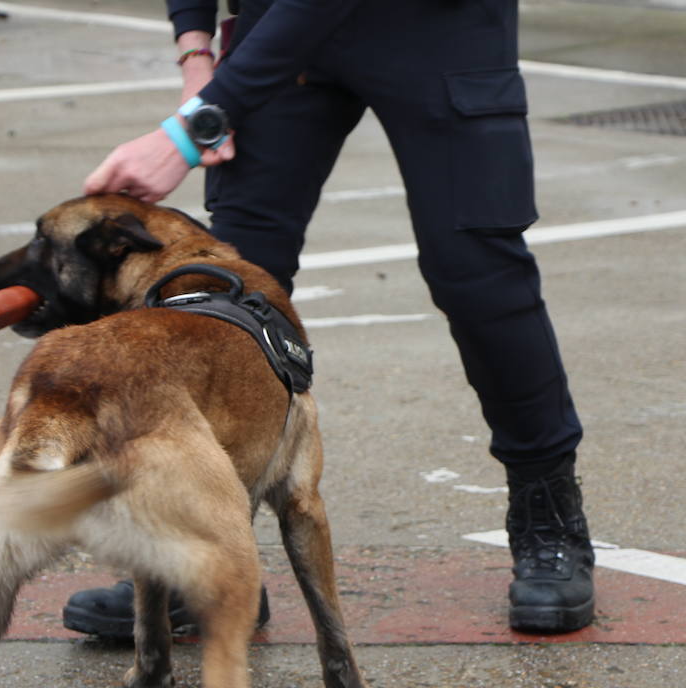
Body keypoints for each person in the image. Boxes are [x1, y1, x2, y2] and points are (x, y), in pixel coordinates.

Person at [63, 0, 595, 638]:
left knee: (477, 274)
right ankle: (212, 551)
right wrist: (196, 51)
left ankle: (549, 519)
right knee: (224, 286)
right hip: (279, 36)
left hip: (442, 31)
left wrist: (188, 131)